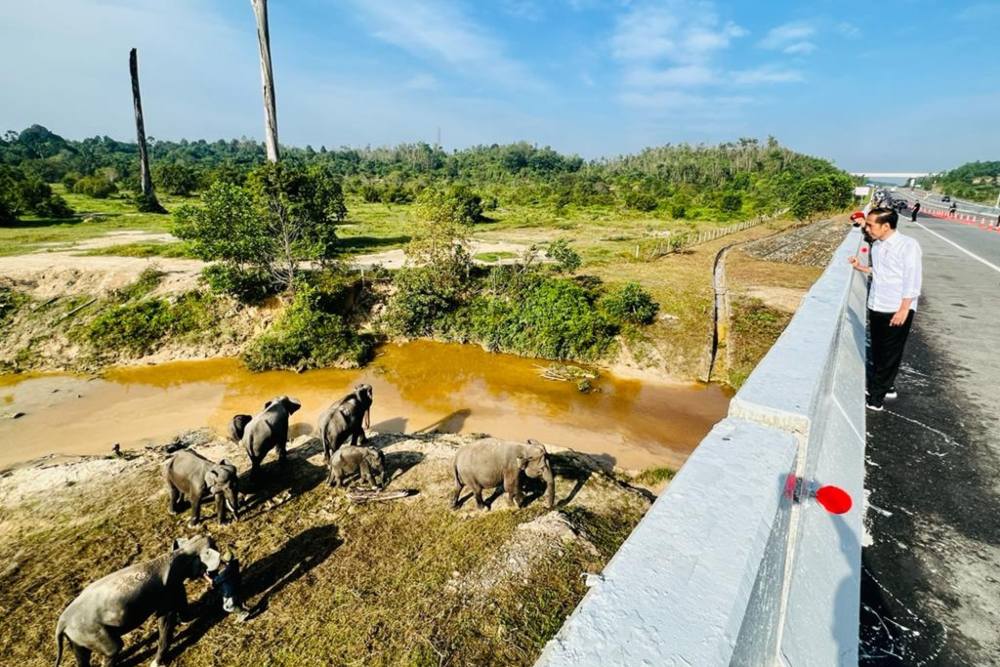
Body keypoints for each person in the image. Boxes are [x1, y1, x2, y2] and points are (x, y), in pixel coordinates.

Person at [848, 207, 922, 411]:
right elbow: (881, 272)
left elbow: (912, 280)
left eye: (871, 225)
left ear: (886, 226)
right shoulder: (878, 246)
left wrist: (904, 309)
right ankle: (886, 386)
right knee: (879, 350)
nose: (867, 229)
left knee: (890, 353)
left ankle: (876, 399)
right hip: (877, 304)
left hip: (896, 307)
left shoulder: (908, 246)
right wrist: (860, 267)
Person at [206, 546, 250, 621]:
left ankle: (242, 613)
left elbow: (214, 582)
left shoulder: (224, 573)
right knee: (236, 600)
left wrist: (205, 576)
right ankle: (242, 608)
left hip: (229, 592)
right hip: (236, 586)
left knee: (227, 606)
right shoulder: (234, 564)